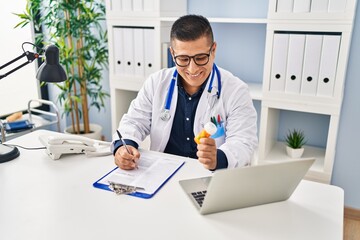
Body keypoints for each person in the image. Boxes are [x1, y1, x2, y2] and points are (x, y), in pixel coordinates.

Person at [112, 14, 258, 171]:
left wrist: (219, 157)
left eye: (201, 57)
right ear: (172, 54)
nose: (192, 69)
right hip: (162, 171)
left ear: (213, 50)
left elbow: (244, 142)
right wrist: (123, 147)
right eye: (183, 59)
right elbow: (134, 122)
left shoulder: (236, 91)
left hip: (209, 175)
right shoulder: (156, 83)